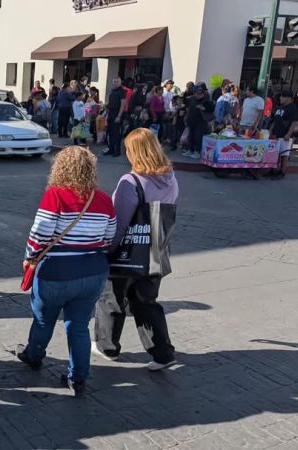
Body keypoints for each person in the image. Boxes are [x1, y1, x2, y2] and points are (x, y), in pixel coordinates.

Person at [16, 146, 116, 397]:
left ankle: (34, 355)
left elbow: (39, 234)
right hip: (93, 272)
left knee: (43, 319)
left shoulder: (55, 195)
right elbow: (108, 238)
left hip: (56, 272)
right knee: (79, 325)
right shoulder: (103, 199)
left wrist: (29, 258)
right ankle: (78, 377)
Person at [93, 128, 178, 372]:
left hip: (128, 252)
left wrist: (107, 250)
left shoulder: (130, 182)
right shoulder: (171, 178)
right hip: (157, 248)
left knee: (112, 298)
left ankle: (107, 345)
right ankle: (162, 353)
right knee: (147, 301)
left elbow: (119, 224)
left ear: (136, 152)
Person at [268, 90, 298, 179]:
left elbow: (294, 122)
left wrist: (288, 134)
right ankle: (273, 170)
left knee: (284, 154)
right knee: (275, 153)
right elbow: (275, 120)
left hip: (284, 135)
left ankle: (282, 172)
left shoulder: (292, 108)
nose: (281, 98)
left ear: (288, 98)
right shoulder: (281, 107)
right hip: (276, 134)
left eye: (283, 97)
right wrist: (270, 131)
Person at [182, 83, 213, 159]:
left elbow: (211, 109)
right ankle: (190, 150)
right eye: (196, 93)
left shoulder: (207, 100)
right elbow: (189, 109)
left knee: (198, 136)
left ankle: (197, 151)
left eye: (199, 93)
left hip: (201, 121)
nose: (197, 95)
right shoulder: (192, 99)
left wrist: (203, 108)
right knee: (191, 136)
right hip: (192, 120)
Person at [105, 77, 127, 157]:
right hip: (110, 113)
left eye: (117, 82)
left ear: (120, 82)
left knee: (116, 133)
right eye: (114, 81)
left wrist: (119, 115)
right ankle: (111, 149)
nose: (115, 83)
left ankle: (117, 151)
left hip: (117, 113)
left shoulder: (122, 91)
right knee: (110, 132)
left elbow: (123, 104)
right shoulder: (112, 91)